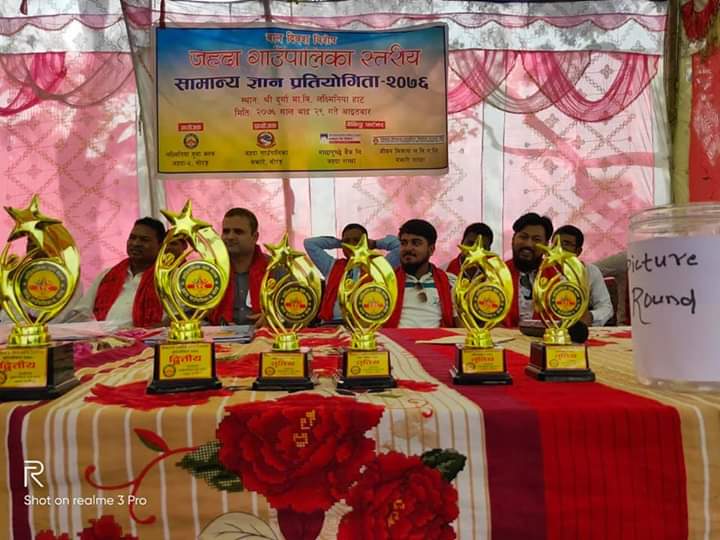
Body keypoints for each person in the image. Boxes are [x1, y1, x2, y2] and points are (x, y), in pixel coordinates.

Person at [68, 217, 165, 328]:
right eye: (132, 238)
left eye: (144, 240)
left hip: (151, 338)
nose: (136, 243)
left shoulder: (166, 279)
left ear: (160, 245)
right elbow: (82, 312)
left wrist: (143, 333)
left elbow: (175, 319)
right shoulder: (107, 275)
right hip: (103, 337)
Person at [305, 224, 400, 322]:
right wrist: (340, 243)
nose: (352, 245)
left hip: (366, 324)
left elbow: (399, 246)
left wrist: (375, 243)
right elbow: (309, 243)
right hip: (332, 324)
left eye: (357, 240)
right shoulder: (331, 266)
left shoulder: (380, 267)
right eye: (347, 241)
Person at [384, 219, 456, 328]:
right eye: (404, 243)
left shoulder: (450, 282)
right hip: (394, 339)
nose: (408, 248)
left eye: (416, 243)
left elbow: (462, 327)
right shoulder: (386, 283)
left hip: (438, 338)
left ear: (431, 249)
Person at [208, 208, 269, 326]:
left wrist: (274, 318)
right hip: (219, 335)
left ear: (255, 237)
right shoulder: (209, 270)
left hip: (264, 335)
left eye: (238, 232)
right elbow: (192, 314)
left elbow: (294, 310)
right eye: (226, 231)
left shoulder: (274, 269)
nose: (230, 237)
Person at [553, 225, 614, 326]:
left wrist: (591, 316)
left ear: (578, 251)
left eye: (566, 244)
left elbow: (606, 308)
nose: (559, 248)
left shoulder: (590, 271)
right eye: (555, 243)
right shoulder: (541, 270)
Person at [502, 212, 554, 327]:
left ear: (546, 245)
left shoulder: (557, 278)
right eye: (523, 237)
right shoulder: (497, 274)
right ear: (513, 239)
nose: (528, 244)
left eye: (536, 239)